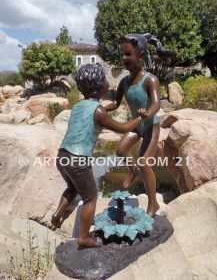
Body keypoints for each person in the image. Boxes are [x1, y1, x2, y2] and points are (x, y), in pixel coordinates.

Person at [49, 63, 147, 248]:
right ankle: (84, 238)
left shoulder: (79, 106)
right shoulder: (99, 112)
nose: (106, 83)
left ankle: (58, 214)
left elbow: (97, 112)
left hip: (62, 156)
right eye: (104, 80)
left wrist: (110, 107)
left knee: (73, 187)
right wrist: (141, 118)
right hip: (79, 160)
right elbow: (123, 128)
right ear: (101, 85)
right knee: (90, 198)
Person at [104, 33, 168, 217]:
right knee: (121, 150)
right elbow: (115, 104)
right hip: (136, 125)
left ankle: (153, 204)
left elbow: (157, 103)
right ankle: (133, 170)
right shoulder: (123, 82)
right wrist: (98, 108)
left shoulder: (150, 80)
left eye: (128, 54)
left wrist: (149, 113)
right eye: (121, 55)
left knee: (145, 163)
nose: (123, 58)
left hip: (150, 126)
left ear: (140, 56)